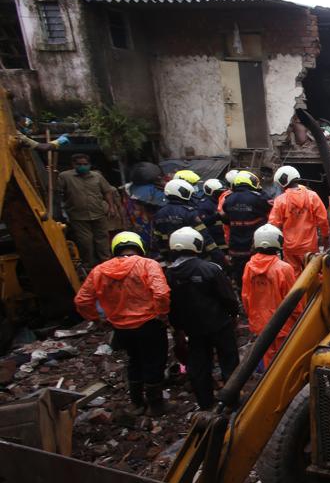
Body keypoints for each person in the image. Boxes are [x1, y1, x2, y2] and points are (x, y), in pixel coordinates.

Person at [74, 232, 171, 415]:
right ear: (139, 246)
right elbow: (161, 293)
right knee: (154, 361)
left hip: (121, 328)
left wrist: (96, 319)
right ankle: (156, 405)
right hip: (149, 323)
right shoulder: (147, 265)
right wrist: (162, 313)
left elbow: (82, 300)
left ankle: (136, 402)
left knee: (134, 361)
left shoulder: (99, 270)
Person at [164, 227, 240, 410]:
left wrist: (178, 329)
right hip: (219, 324)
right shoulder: (210, 269)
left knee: (199, 366)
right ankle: (233, 401)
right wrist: (234, 314)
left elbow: (169, 305)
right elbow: (228, 297)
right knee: (229, 362)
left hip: (193, 329)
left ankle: (205, 403)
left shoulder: (169, 275)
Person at [242, 224, 298, 368]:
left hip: (260, 323)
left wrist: (252, 317)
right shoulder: (284, 268)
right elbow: (294, 299)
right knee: (283, 362)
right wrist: (300, 318)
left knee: (267, 360)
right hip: (282, 324)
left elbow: (246, 296)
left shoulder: (249, 266)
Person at [56, 153, 119, 269]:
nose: (82, 166)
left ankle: (107, 263)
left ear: (89, 165)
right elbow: (58, 194)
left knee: (102, 240)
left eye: (85, 164)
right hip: (78, 216)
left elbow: (107, 191)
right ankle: (89, 266)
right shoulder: (65, 177)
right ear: (73, 165)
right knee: (85, 242)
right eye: (79, 164)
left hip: (98, 213)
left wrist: (111, 207)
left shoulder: (97, 177)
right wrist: (62, 212)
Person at [268, 165, 330, 276]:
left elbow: (273, 225)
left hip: (290, 247)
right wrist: (325, 239)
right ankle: (314, 293)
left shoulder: (280, 200)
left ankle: (300, 294)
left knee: (294, 276)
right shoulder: (312, 196)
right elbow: (323, 220)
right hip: (310, 246)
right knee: (313, 275)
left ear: (283, 182)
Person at [223, 170, 272, 287]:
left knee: (239, 273)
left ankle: (242, 294)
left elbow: (225, 218)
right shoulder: (258, 198)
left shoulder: (228, 199)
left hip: (235, 244)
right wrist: (260, 191)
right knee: (256, 271)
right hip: (253, 243)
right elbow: (269, 205)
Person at [153, 178, 219, 261]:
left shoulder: (159, 214)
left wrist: (166, 256)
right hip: (196, 257)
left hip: (172, 258)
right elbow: (205, 237)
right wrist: (219, 256)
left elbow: (158, 240)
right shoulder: (189, 213)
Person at [200, 178, 228, 261]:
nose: (222, 194)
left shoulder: (225, 201)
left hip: (226, 240)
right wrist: (218, 215)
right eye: (219, 192)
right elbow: (203, 222)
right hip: (214, 242)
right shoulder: (204, 205)